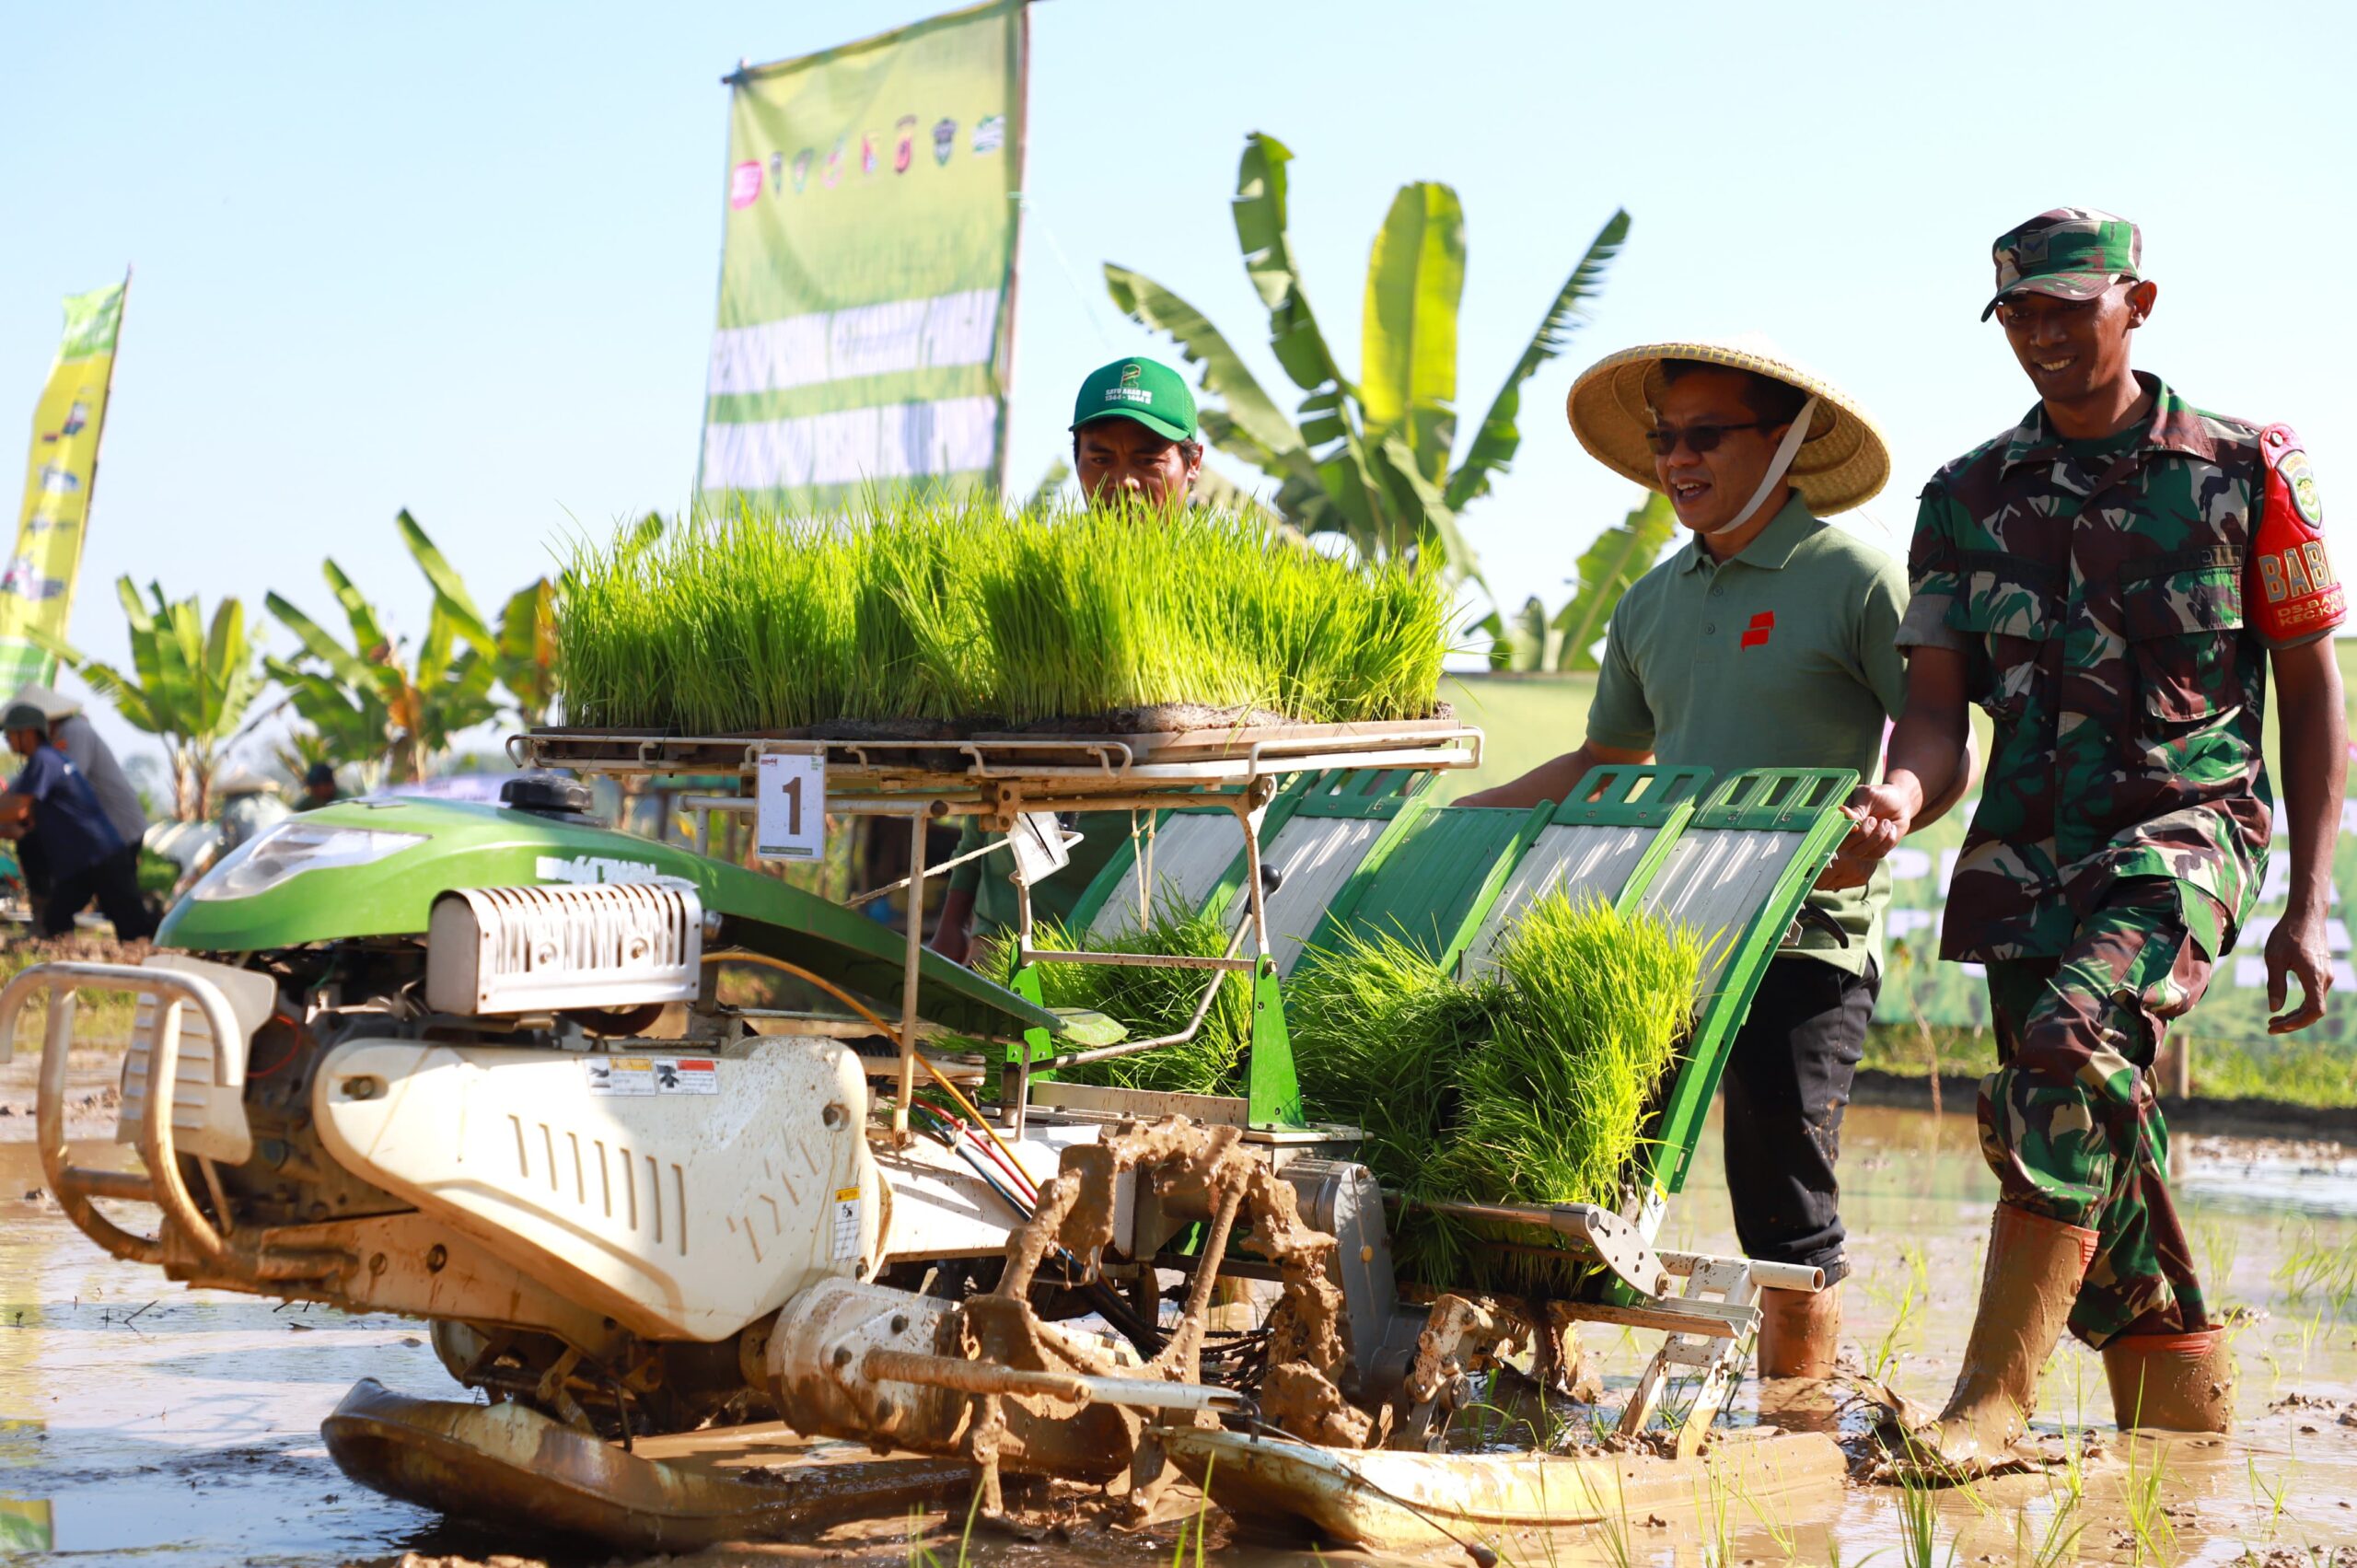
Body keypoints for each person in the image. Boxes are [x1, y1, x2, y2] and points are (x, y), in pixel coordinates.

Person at [1848, 210, 2346, 1467]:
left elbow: (2311, 681)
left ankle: (1989, 1402)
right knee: (2070, 1130)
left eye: (2072, 306)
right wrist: (1902, 798)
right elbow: (1932, 712)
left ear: (2140, 301)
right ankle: (2184, 1421)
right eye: (2020, 312)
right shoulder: (1963, 498)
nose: (2045, 334)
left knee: (2070, 1050)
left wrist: (2308, 899)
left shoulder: (2249, 468)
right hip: (2024, 853)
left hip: (2189, 829)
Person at [1457, 337, 1970, 1382]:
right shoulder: (1651, 601)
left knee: (1778, 1189)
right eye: (1663, 439)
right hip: (1663, 934)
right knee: (1576, 1158)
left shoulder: (1852, 573)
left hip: (1803, 937)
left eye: (1705, 435)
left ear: (1781, 444)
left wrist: (1895, 804)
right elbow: (1607, 758)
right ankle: (1535, 1382)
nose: (1677, 459)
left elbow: (1936, 726)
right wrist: (1469, 812)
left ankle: (1800, 1420)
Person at [930, 356, 1205, 965]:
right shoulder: (1034, 595)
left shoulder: (1220, 601)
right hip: (1014, 923)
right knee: (985, 1063)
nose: (1123, 481)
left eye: (1148, 459)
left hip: (1151, 927)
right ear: (1077, 460)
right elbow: (994, 757)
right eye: (1100, 458)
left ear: (1192, 465)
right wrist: (956, 914)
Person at [0, 702, 156, 939]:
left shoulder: (44, 759)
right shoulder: (47, 759)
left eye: (9, 734)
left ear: (28, 732)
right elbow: (18, 819)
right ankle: (60, 967)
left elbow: (17, 810)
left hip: (102, 857)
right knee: (55, 922)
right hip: (82, 865)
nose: (7, 741)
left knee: (134, 928)